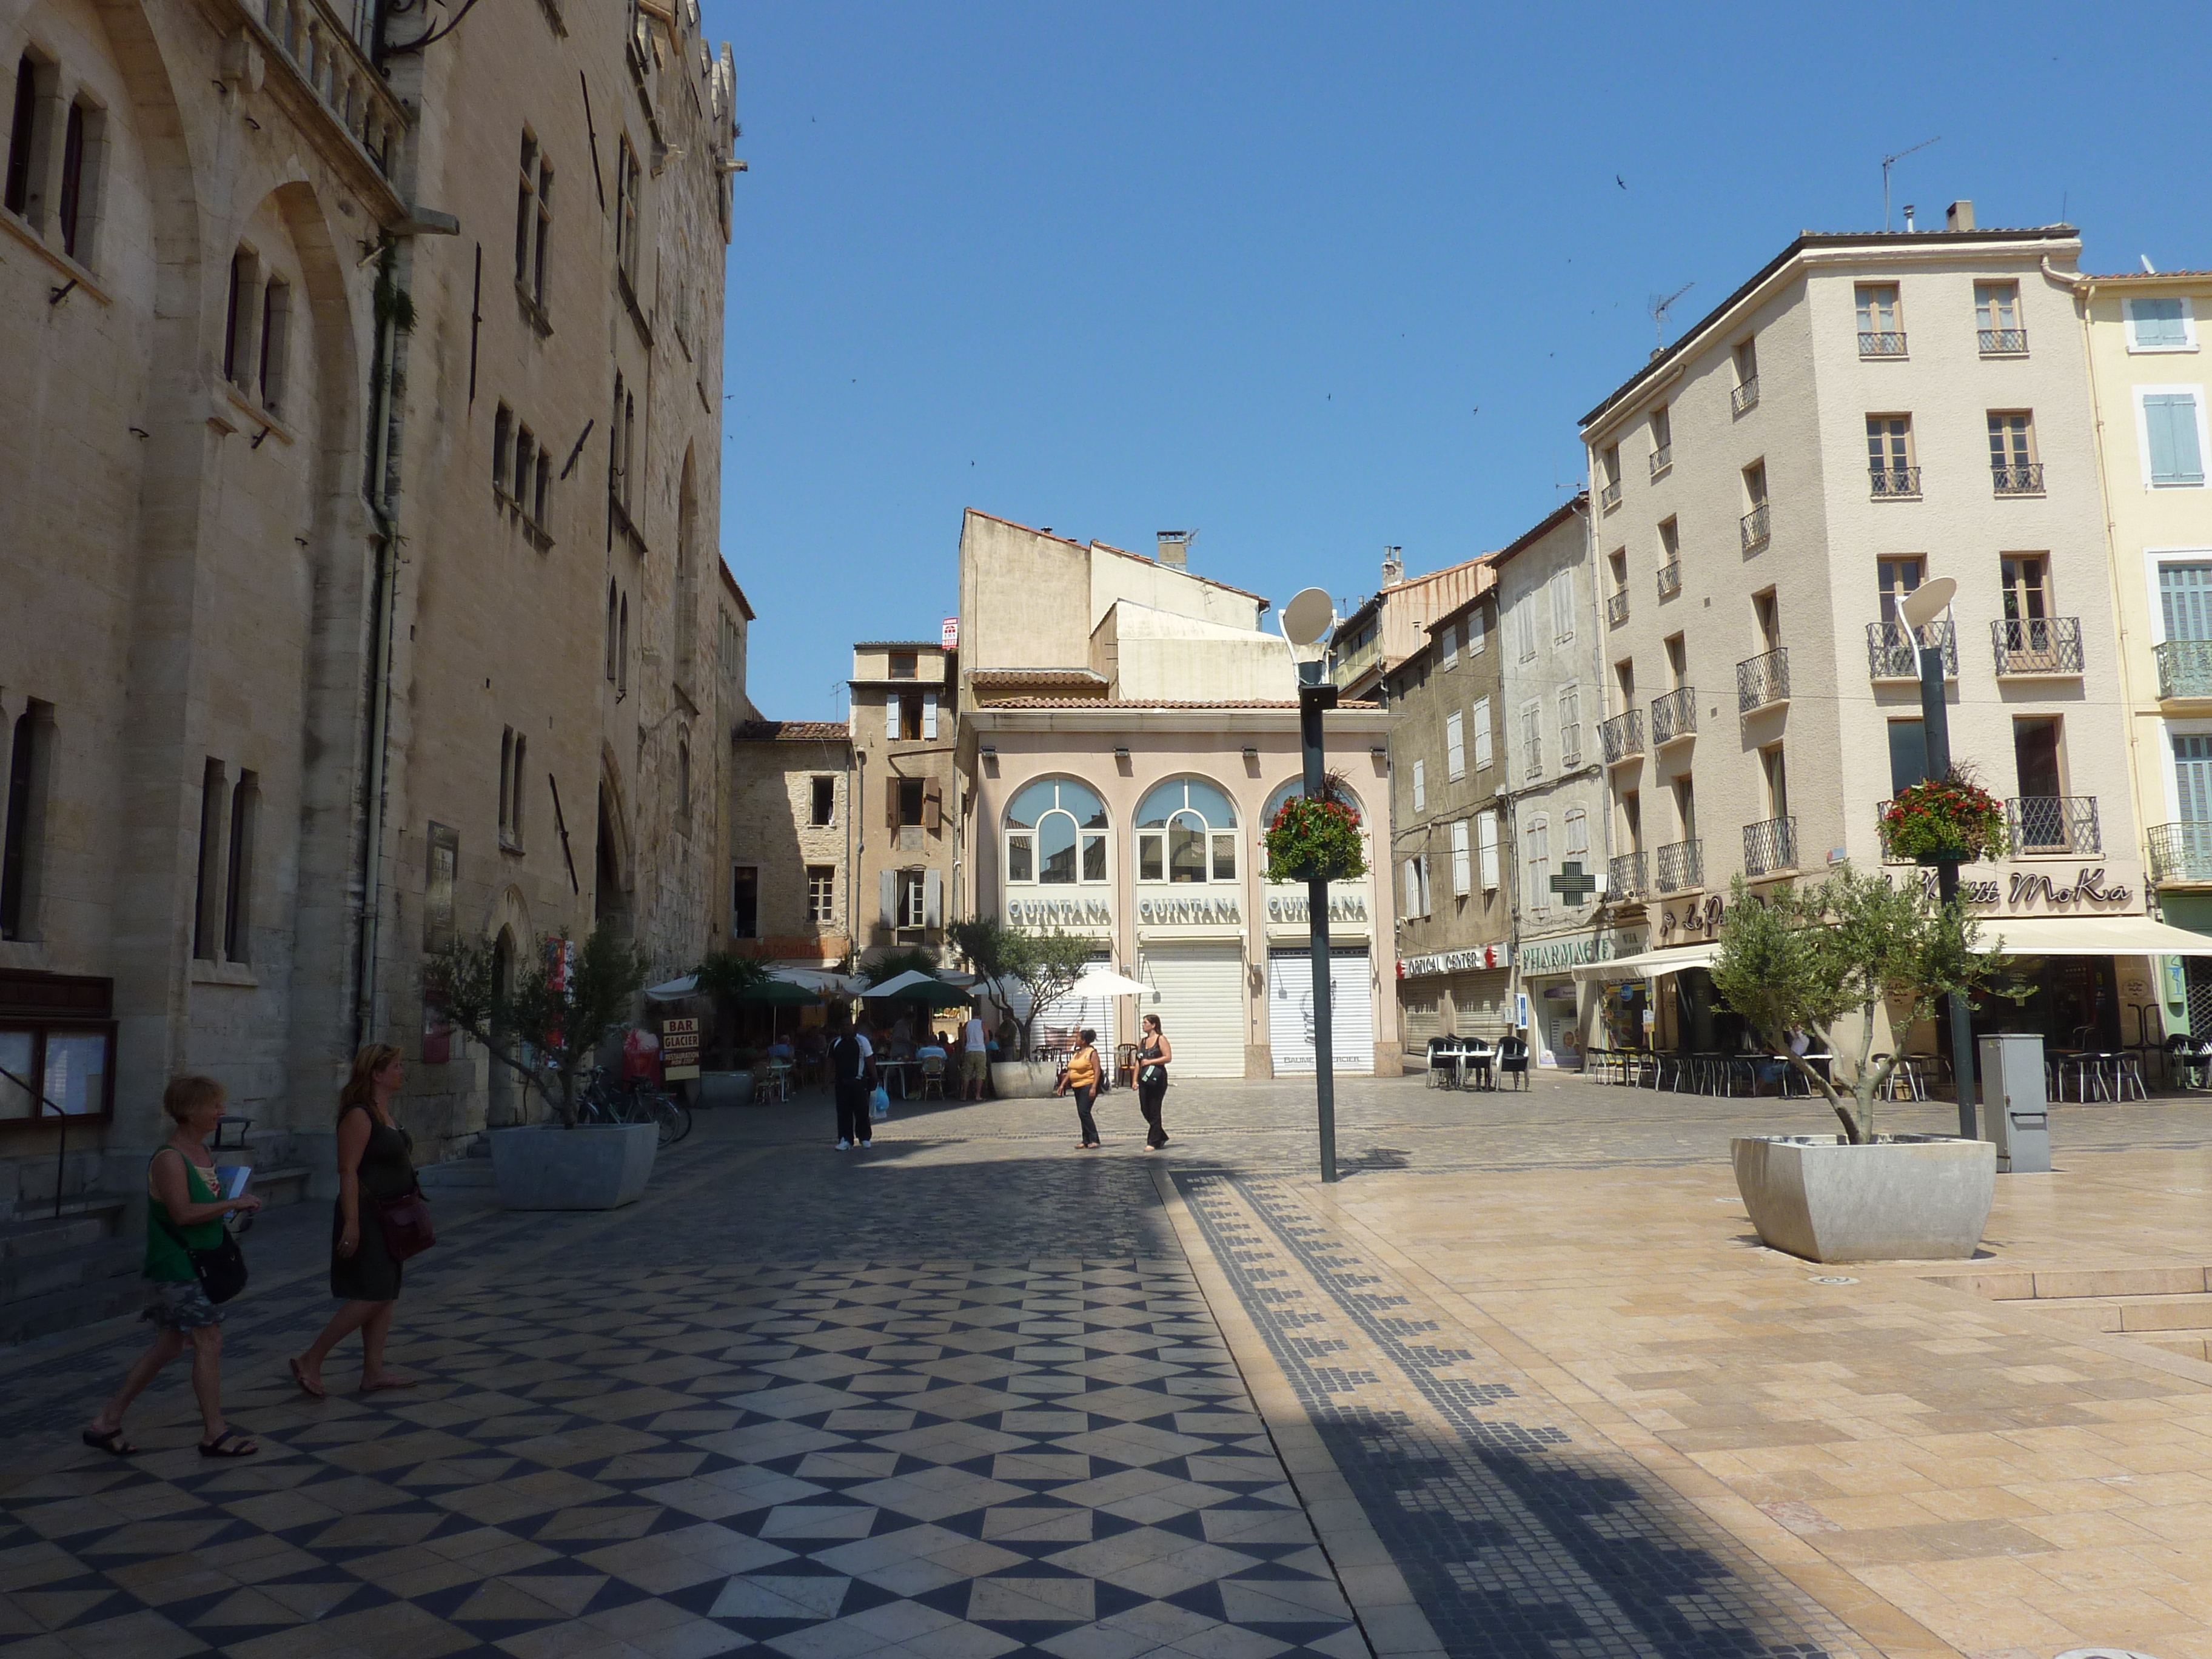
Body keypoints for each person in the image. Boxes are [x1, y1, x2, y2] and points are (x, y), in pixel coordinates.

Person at [82, 1075, 264, 1457]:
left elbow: (202, 1204)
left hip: (196, 1262)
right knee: (208, 1339)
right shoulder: (169, 1158)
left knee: (168, 1346)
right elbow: (182, 1213)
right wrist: (233, 1204)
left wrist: (228, 1196)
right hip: (178, 1265)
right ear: (191, 1110)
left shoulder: (201, 1153)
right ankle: (214, 1433)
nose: (221, 1112)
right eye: (214, 1105)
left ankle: (106, 1422)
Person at [290, 1045, 420, 1398]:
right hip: (367, 1212)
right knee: (373, 1293)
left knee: (386, 1292)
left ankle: (373, 1372)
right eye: (395, 1066)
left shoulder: (385, 1113)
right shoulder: (359, 1115)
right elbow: (347, 1170)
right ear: (376, 1074)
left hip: (392, 1214)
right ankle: (311, 1359)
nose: (401, 1071)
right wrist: (352, 1222)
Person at [828, 1014, 875, 1149]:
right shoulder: (835, 1043)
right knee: (843, 1112)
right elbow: (830, 1062)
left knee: (862, 1111)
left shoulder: (862, 1041)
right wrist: (825, 1082)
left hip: (859, 1082)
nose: (845, 1027)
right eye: (843, 1025)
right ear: (839, 1028)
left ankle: (864, 1137)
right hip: (841, 1083)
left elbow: (869, 1059)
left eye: (848, 1025)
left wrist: (875, 1077)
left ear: (853, 1026)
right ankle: (845, 1139)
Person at [1054, 1028, 1103, 1148]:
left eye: (1078, 1038)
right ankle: (1086, 1140)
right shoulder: (1077, 1053)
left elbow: (1097, 1071)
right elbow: (1071, 1070)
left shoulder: (1092, 1053)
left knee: (1084, 1111)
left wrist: (1094, 1087)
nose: (1075, 1040)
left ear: (1084, 1041)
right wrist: (1062, 1084)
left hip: (1088, 1085)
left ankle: (1094, 1139)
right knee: (1081, 1113)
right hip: (1077, 1086)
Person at [1135, 1014, 1172, 1151]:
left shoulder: (1161, 1039)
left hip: (1157, 1078)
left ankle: (1153, 1141)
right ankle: (1161, 1135)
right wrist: (1134, 1080)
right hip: (1144, 1078)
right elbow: (1138, 1061)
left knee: (1155, 1109)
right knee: (1145, 1109)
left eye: (1145, 1023)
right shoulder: (1143, 1041)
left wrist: (1150, 1061)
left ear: (1154, 1025)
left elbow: (1168, 1057)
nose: (1143, 1025)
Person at [961, 1003, 989, 1099]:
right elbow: (987, 1038)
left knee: (967, 1073)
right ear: (980, 1015)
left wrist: (964, 1048)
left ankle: (964, 1095)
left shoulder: (967, 1024)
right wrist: (982, 1045)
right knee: (980, 1073)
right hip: (980, 1050)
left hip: (969, 1050)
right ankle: (978, 1095)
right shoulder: (983, 1024)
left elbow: (963, 1039)